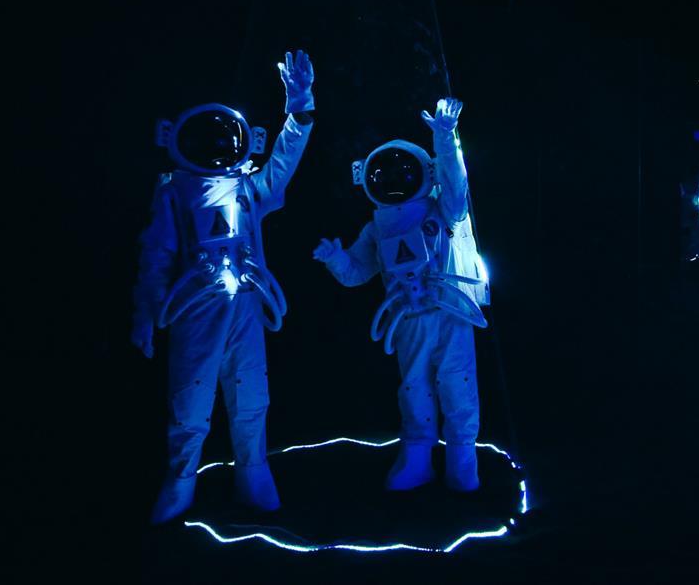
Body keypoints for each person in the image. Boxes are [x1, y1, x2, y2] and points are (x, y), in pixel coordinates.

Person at [132, 50, 315, 524]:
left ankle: (253, 473)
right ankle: (181, 481)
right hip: (196, 305)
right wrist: (146, 312)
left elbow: (282, 164)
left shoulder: (249, 187)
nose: (217, 146)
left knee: (251, 392)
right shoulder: (175, 192)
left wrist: (299, 107)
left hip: (247, 302)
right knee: (191, 396)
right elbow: (156, 257)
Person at [313, 98, 490, 492]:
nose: (394, 179)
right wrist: (335, 258)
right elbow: (357, 272)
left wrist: (445, 139)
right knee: (414, 387)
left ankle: (463, 462)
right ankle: (417, 458)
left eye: (403, 172)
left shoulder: (442, 209)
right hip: (408, 317)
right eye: (386, 173)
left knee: (458, 384)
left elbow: (456, 185)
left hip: (451, 311)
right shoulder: (377, 227)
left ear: (423, 172)